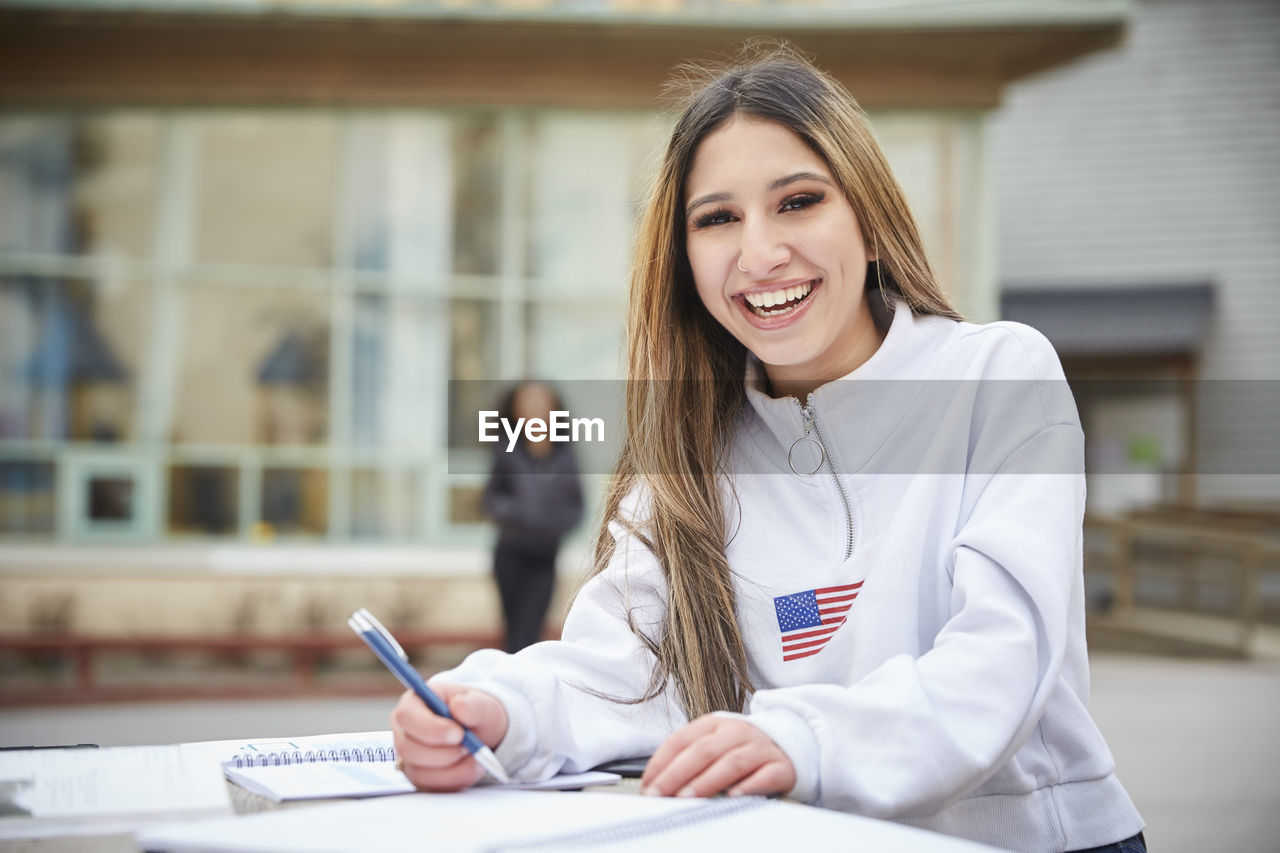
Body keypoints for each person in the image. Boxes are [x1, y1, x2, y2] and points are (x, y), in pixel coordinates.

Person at [391, 46, 1146, 853]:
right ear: (684, 262)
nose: (758, 254)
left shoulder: (998, 374)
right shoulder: (689, 450)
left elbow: (1002, 661)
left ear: (870, 216)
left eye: (798, 201)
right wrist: (490, 709)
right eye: (717, 219)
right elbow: (619, 667)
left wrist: (801, 739)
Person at [482, 381, 584, 653]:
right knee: (515, 632)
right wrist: (521, 515)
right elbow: (491, 499)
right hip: (511, 554)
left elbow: (576, 505)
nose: (535, 408)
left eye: (542, 401)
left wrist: (554, 526)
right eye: (527, 401)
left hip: (545, 555)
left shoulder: (564, 453)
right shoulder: (507, 449)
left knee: (533, 628)